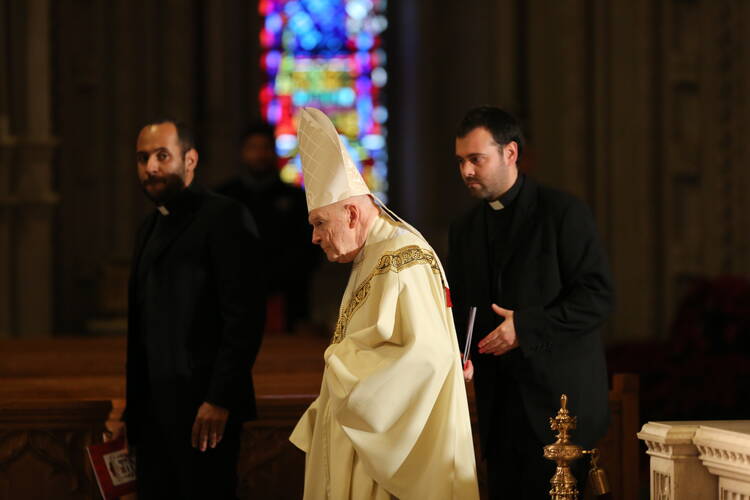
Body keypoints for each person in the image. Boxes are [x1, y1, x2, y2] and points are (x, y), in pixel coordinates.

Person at [289, 107, 479, 500]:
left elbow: (427, 359)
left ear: (353, 213)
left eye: (320, 223)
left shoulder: (401, 259)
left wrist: (340, 371)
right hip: (363, 447)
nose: (315, 237)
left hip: (387, 464)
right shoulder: (371, 257)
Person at [448, 106, 614, 499]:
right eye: (461, 161)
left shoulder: (562, 213)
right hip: (498, 412)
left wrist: (524, 326)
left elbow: (598, 297)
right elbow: (463, 309)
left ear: (510, 153)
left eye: (476, 159)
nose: (466, 171)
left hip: (560, 408)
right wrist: (460, 352)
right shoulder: (465, 229)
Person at [122, 118, 265, 499]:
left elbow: (244, 318)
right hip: (153, 413)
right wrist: (131, 412)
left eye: (162, 155)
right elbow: (142, 329)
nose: (150, 167)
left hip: (205, 412)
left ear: (190, 159)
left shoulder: (225, 217)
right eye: (142, 157)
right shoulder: (148, 227)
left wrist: (219, 398)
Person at [217, 122, 317, 333]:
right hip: (233, 298)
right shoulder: (223, 197)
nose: (259, 154)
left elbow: (309, 249)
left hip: (287, 299)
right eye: (253, 148)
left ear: (273, 152)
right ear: (242, 153)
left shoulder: (297, 199)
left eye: (265, 148)